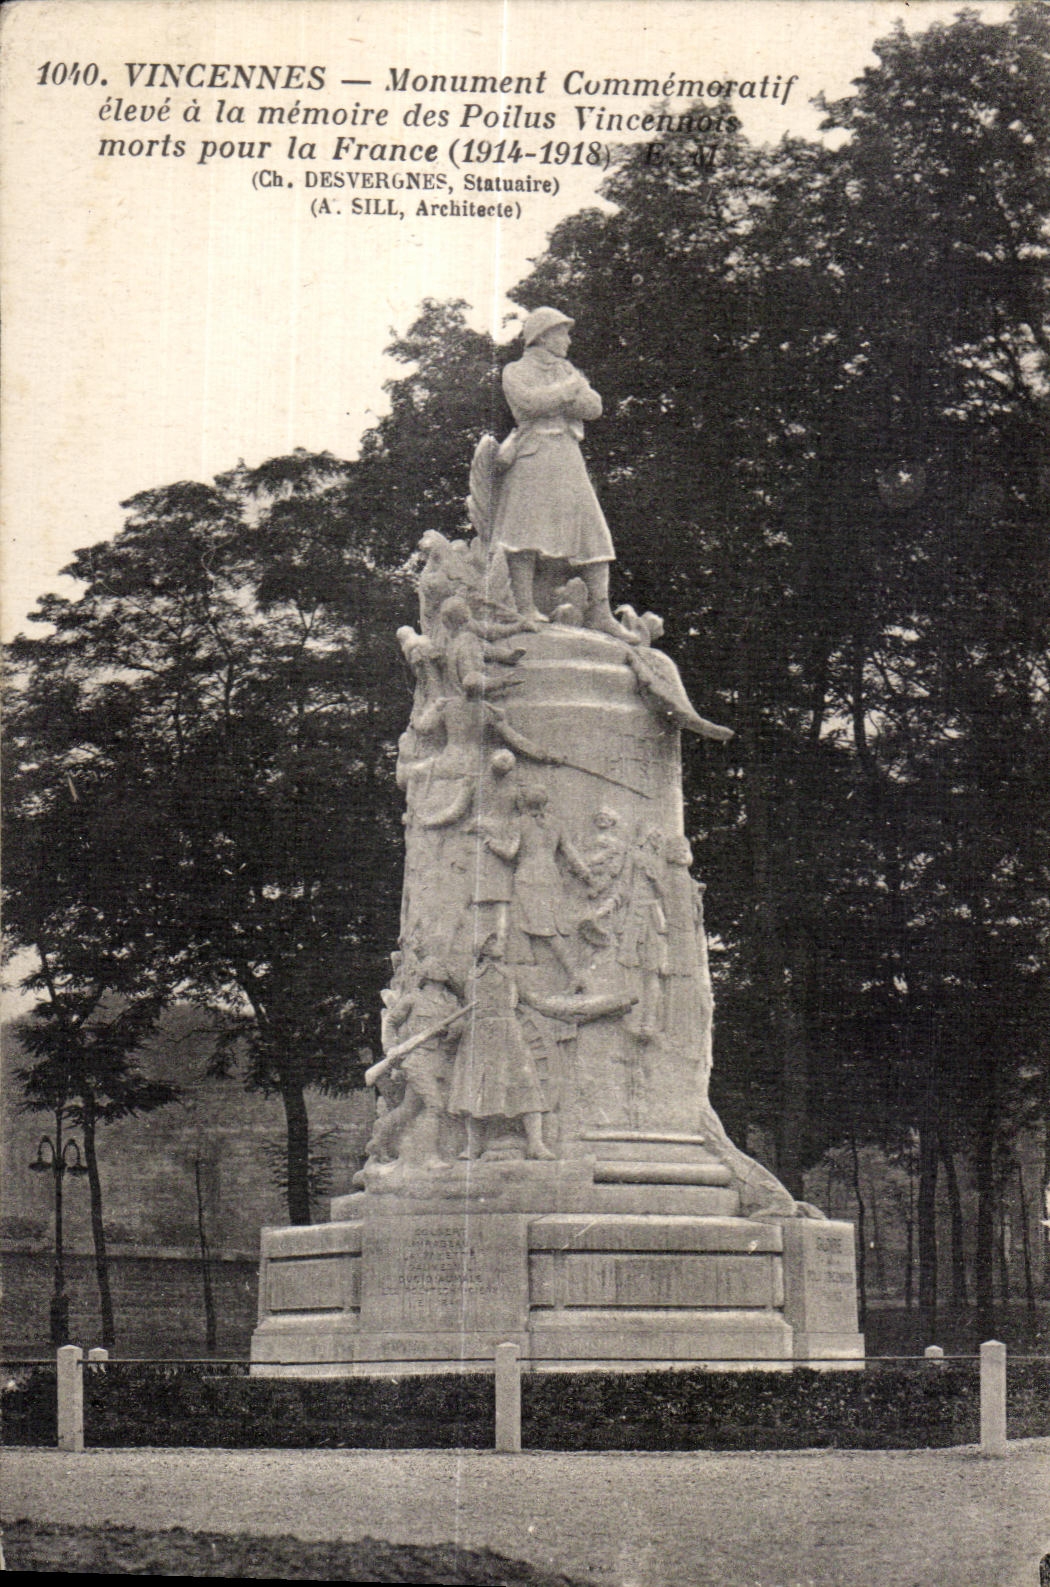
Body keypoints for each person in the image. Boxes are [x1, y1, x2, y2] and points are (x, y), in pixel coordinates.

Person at [494, 307, 638, 643]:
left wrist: (563, 392)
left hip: (567, 456)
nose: (569, 340)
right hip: (532, 455)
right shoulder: (515, 371)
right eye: (563, 333)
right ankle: (525, 607)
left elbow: (594, 407)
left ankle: (601, 612)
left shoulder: (567, 369)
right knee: (524, 532)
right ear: (543, 335)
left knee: (592, 530)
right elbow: (529, 404)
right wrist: (568, 390)